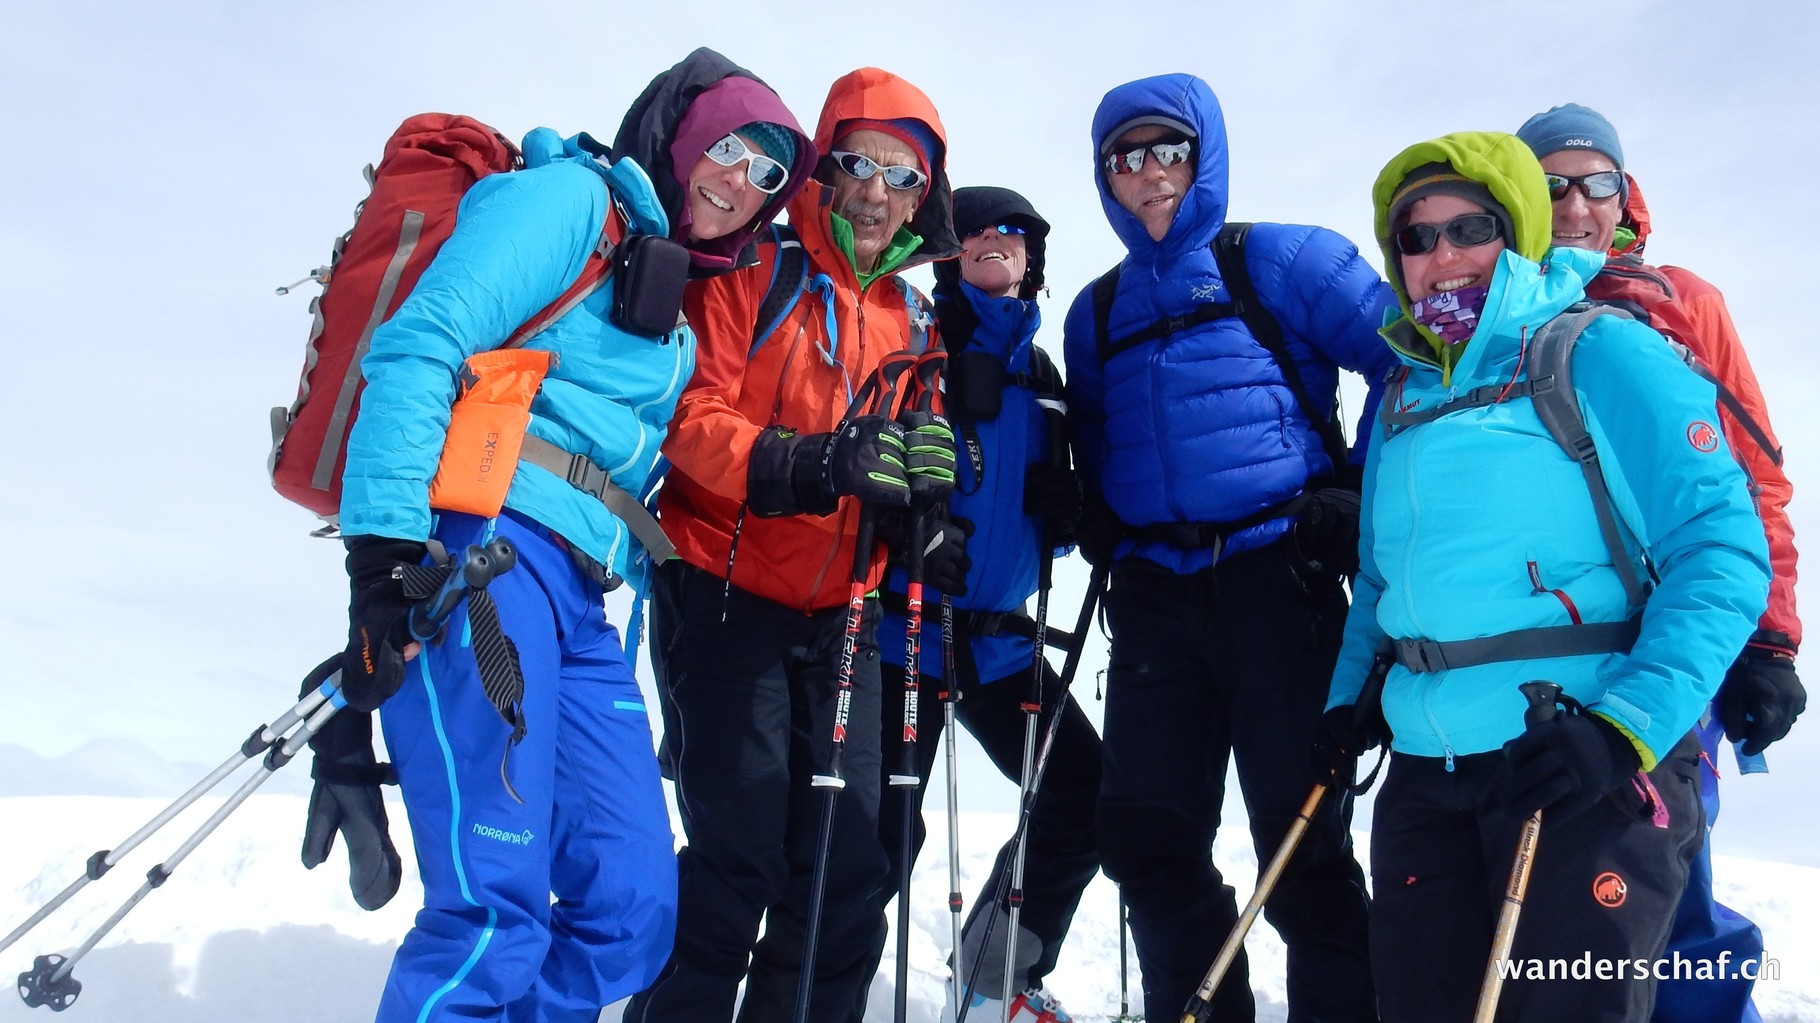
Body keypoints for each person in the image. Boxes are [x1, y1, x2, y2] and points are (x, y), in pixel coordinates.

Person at [324, 48, 814, 1023]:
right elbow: (422, 344)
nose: (739, 181)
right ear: (675, 137)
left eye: (767, 174)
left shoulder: (672, 294)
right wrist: (379, 559)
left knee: (631, 915)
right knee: (490, 915)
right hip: (480, 553)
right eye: (726, 146)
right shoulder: (566, 202)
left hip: (582, 603)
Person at [1322, 130, 1771, 1021]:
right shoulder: (1405, 395)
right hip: (1427, 770)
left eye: (1470, 227)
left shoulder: (1598, 351)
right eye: (1416, 238)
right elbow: (1382, 579)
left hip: (1578, 762)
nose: (1441, 257)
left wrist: (1620, 730)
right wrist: (1345, 704)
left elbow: (1722, 549)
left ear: (1519, 229)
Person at [624, 66, 961, 1023]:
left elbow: (903, 459)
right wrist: (805, 463)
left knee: (850, 871)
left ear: (924, 195)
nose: (878, 191)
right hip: (725, 594)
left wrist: (923, 521)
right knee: (739, 858)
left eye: (904, 176)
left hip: (843, 616)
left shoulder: (915, 319)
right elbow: (686, 418)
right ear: (827, 167)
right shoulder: (754, 271)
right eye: (861, 162)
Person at [1061, 73, 1394, 1022]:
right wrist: (1090, 511)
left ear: (1204, 153)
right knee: (1143, 841)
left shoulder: (1283, 260)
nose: (1149, 172)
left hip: (1276, 581)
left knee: (1301, 848)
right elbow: (1097, 433)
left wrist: (1356, 488)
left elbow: (1407, 360)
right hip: (1157, 599)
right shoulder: (1094, 312)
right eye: (1125, 157)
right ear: (1105, 177)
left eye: (1168, 148)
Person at [1516, 102, 1804, 1023]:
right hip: (1550, 645)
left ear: (1624, 193)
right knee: (1560, 897)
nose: (1573, 204)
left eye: (1594, 181)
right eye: (1550, 183)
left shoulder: (1683, 302)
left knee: (1669, 870)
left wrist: (1772, 641)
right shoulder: (1501, 310)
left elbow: (1755, 479)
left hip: (1679, 637)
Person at [860, 185, 1096, 1023]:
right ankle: (821, 987)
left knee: (1085, 793)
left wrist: (1063, 519)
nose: (994, 239)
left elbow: (1033, 524)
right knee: (877, 839)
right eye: (974, 230)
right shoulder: (914, 342)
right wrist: (904, 526)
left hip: (999, 644)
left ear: (1032, 258)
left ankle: (995, 977)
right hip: (903, 636)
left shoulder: (1044, 379)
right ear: (949, 251)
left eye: (1014, 232)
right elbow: (865, 471)